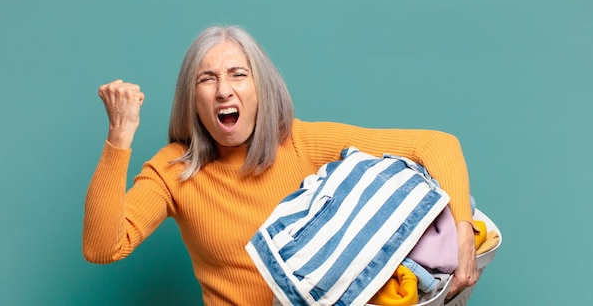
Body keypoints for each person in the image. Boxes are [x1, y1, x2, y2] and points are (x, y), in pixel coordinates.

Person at [82, 25, 479, 305]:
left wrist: (462, 231)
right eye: (207, 79)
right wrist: (120, 135)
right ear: (193, 98)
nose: (224, 90)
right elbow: (102, 247)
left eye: (239, 74)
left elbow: (436, 144)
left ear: (261, 88)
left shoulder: (302, 142)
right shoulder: (175, 169)